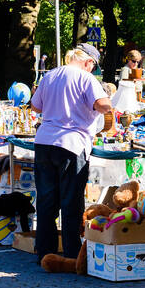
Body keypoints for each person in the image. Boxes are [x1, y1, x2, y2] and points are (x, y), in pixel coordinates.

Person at [32, 44, 113, 264]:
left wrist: (57, 107)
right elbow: (103, 104)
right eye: (93, 66)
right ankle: (71, 253)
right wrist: (101, 108)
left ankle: (45, 251)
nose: (93, 70)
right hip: (72, 144)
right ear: (89, 62)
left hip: (44, 142)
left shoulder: (50, 75)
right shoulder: (86, 79)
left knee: (46, 201)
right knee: (70, 202)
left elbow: (35, 106)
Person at [111, 48, 144, 114]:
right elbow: (124, 86)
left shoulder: (136, 70)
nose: (136, 64)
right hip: (127, 100)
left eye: (138, 62)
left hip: (136, 97)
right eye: (134, 61)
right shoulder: (125, 70)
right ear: (129, 60)